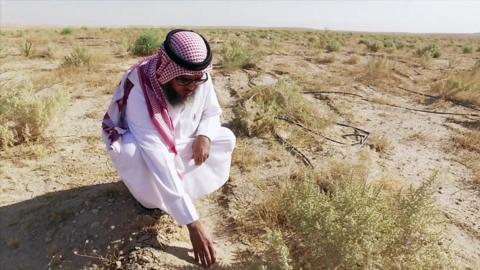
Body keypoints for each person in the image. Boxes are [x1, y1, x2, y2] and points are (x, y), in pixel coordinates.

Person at [102, 29, 236, 268]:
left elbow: (211, 112)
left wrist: (204, 135)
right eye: (183, 80)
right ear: (166, 72)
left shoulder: (197, 76)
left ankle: (180, 192)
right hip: (146, 147)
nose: (192, 87)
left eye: (197, 80)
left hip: (180, 139)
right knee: (130, 151)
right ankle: (149, 199)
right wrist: (192, 222)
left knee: (224, 138)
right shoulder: (140, 87)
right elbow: (157, 155)